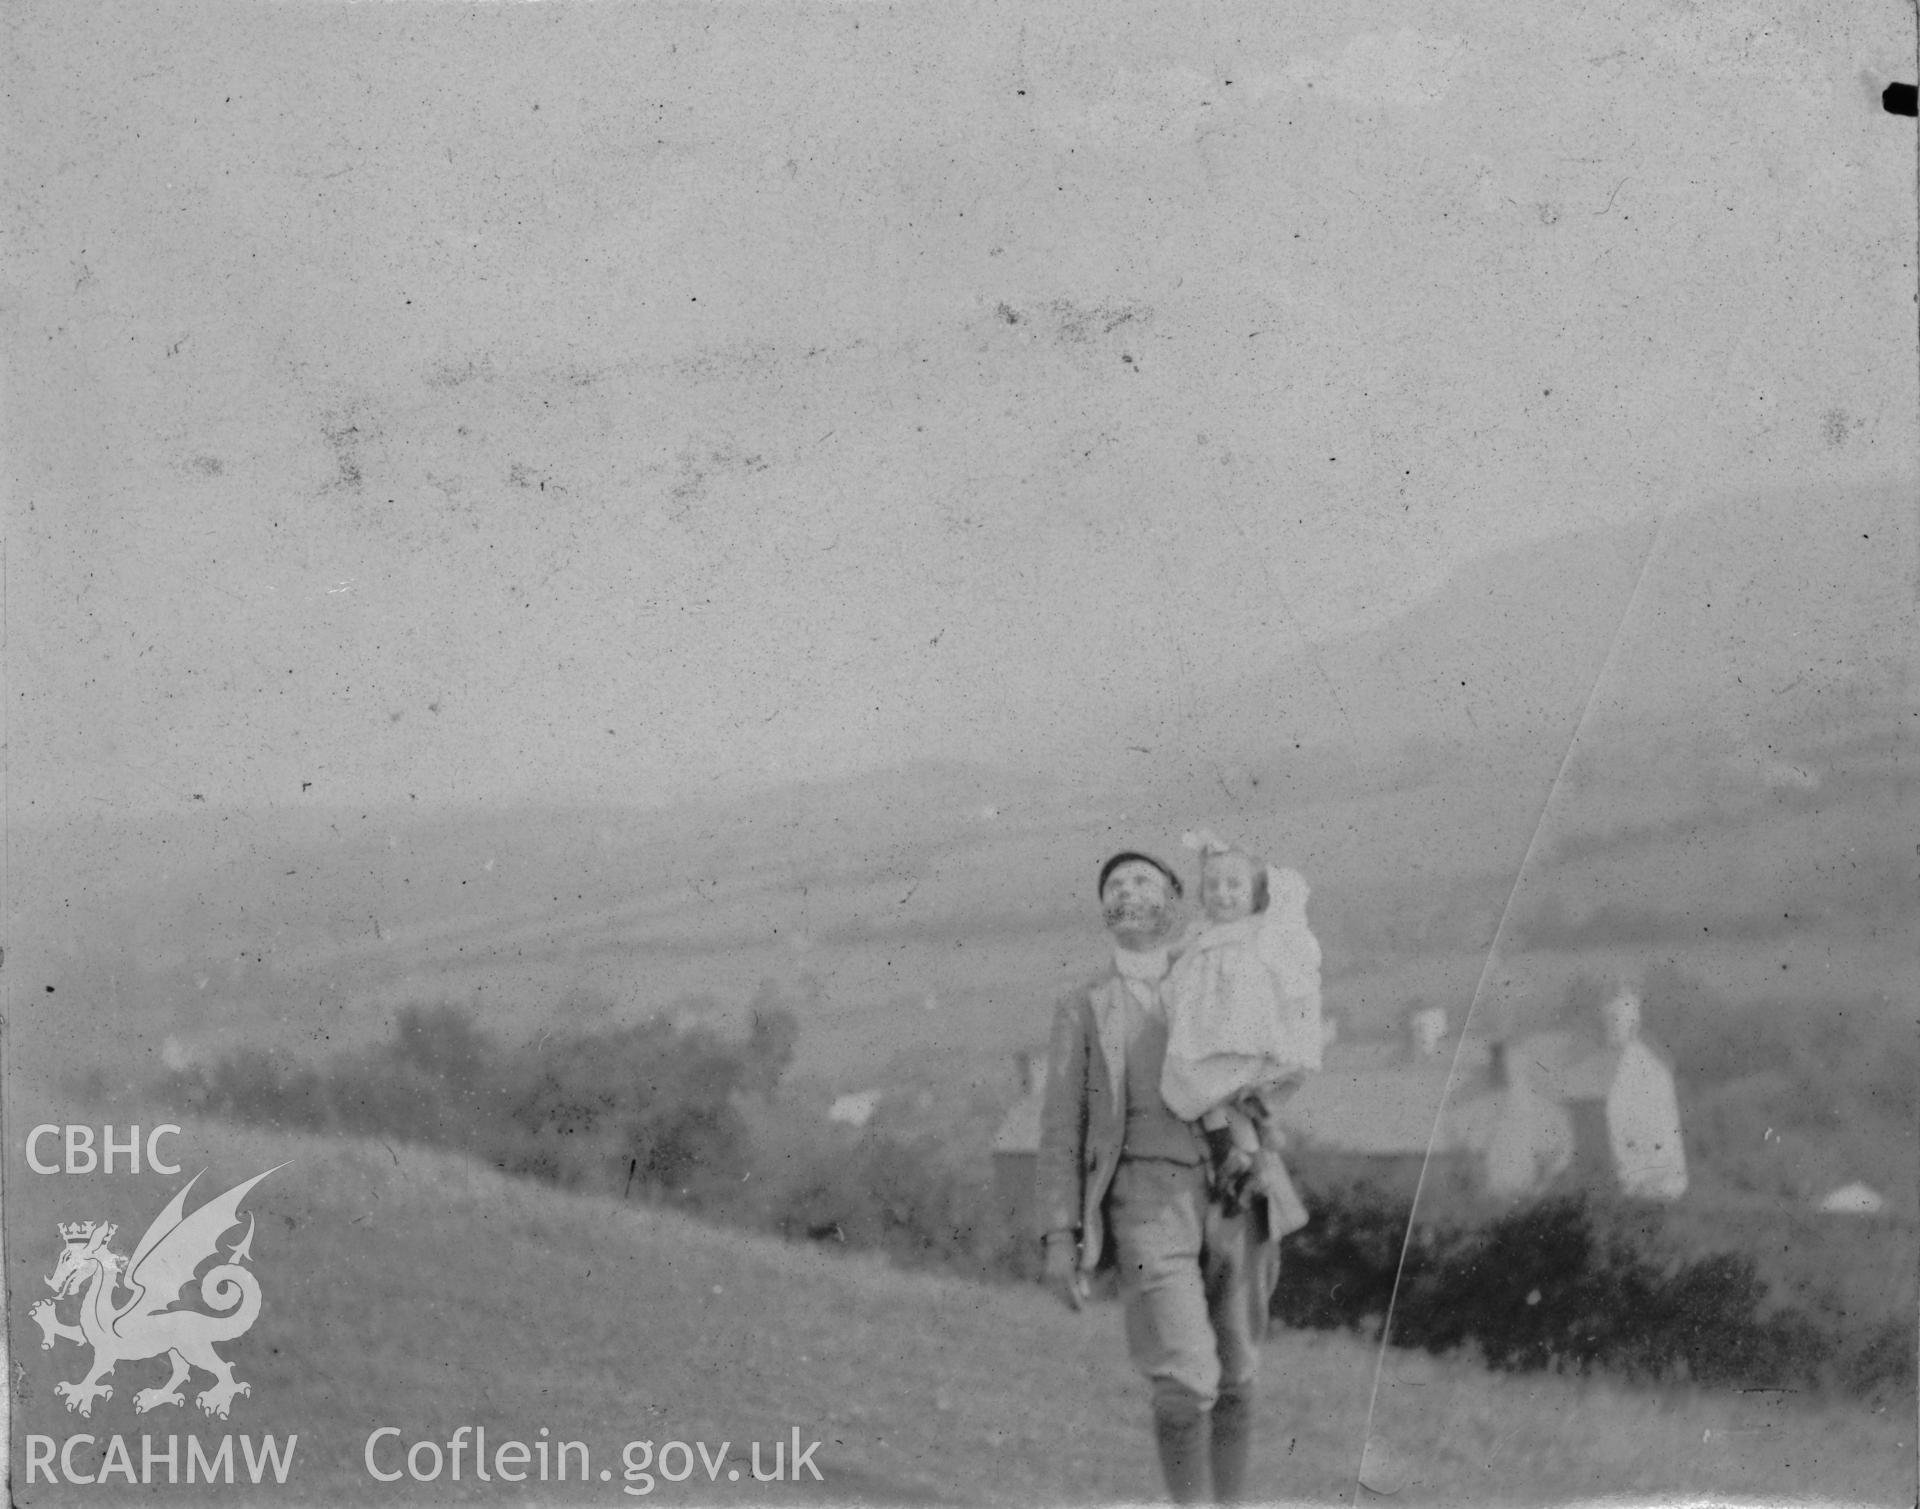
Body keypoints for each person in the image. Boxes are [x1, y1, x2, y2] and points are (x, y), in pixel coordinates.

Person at [1034, 850, 1288, 1504]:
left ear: (1176, 898)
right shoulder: (1084, 1006)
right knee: (1183, 1377)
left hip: (1233, 1193)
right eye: (1113, 886)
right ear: (1104, 912)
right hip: (1143, 1203)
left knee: (1237, 1372)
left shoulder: (1214, 972)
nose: (1126, 894)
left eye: (1142, 880)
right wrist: (1060, 1239)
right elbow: (1062, 1128)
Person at [1161, 835, 1322, 1226]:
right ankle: (1233, 1161)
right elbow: (1173, 957)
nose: (1223, 895)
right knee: (1199, 1091)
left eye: (1235, 886)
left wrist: (1254, 867)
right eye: (1213, 886)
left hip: (1243, 1035)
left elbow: (1291, 901)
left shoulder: (1260, 931)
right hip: (1205, 1038)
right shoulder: (1201, 932)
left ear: (1255, 895)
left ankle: (1252, 1156)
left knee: (1233, 1093)